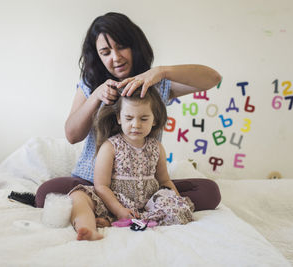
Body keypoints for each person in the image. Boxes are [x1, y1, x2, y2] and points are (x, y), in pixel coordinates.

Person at [34, 12, 221, 218]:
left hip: (145, 188)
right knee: (45, 194)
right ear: (98, 56)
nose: (115, 57)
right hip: (95, 184)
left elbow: (213, 78)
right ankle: (107, 206)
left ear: (135, 45)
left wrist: (162, 71)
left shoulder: (156, 86)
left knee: (210, 192)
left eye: (121, 46)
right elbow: (72, 135)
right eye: (106, 52)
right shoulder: (89, 84)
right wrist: (96, 96)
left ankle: (136, 208)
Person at [71, 87, 194, 240]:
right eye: (129, 118)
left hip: (149, 204)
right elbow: (101, 186)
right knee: (78, 196)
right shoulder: (110, 147)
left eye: (143, 119)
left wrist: (177, 200)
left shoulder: (156, 147)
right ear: (119, 118)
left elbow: (164, 181)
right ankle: (88, 228)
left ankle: (131, 220)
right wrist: (119, 210)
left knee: (179, 206)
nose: (136, 124)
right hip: (115, 202)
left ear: (154, 120)